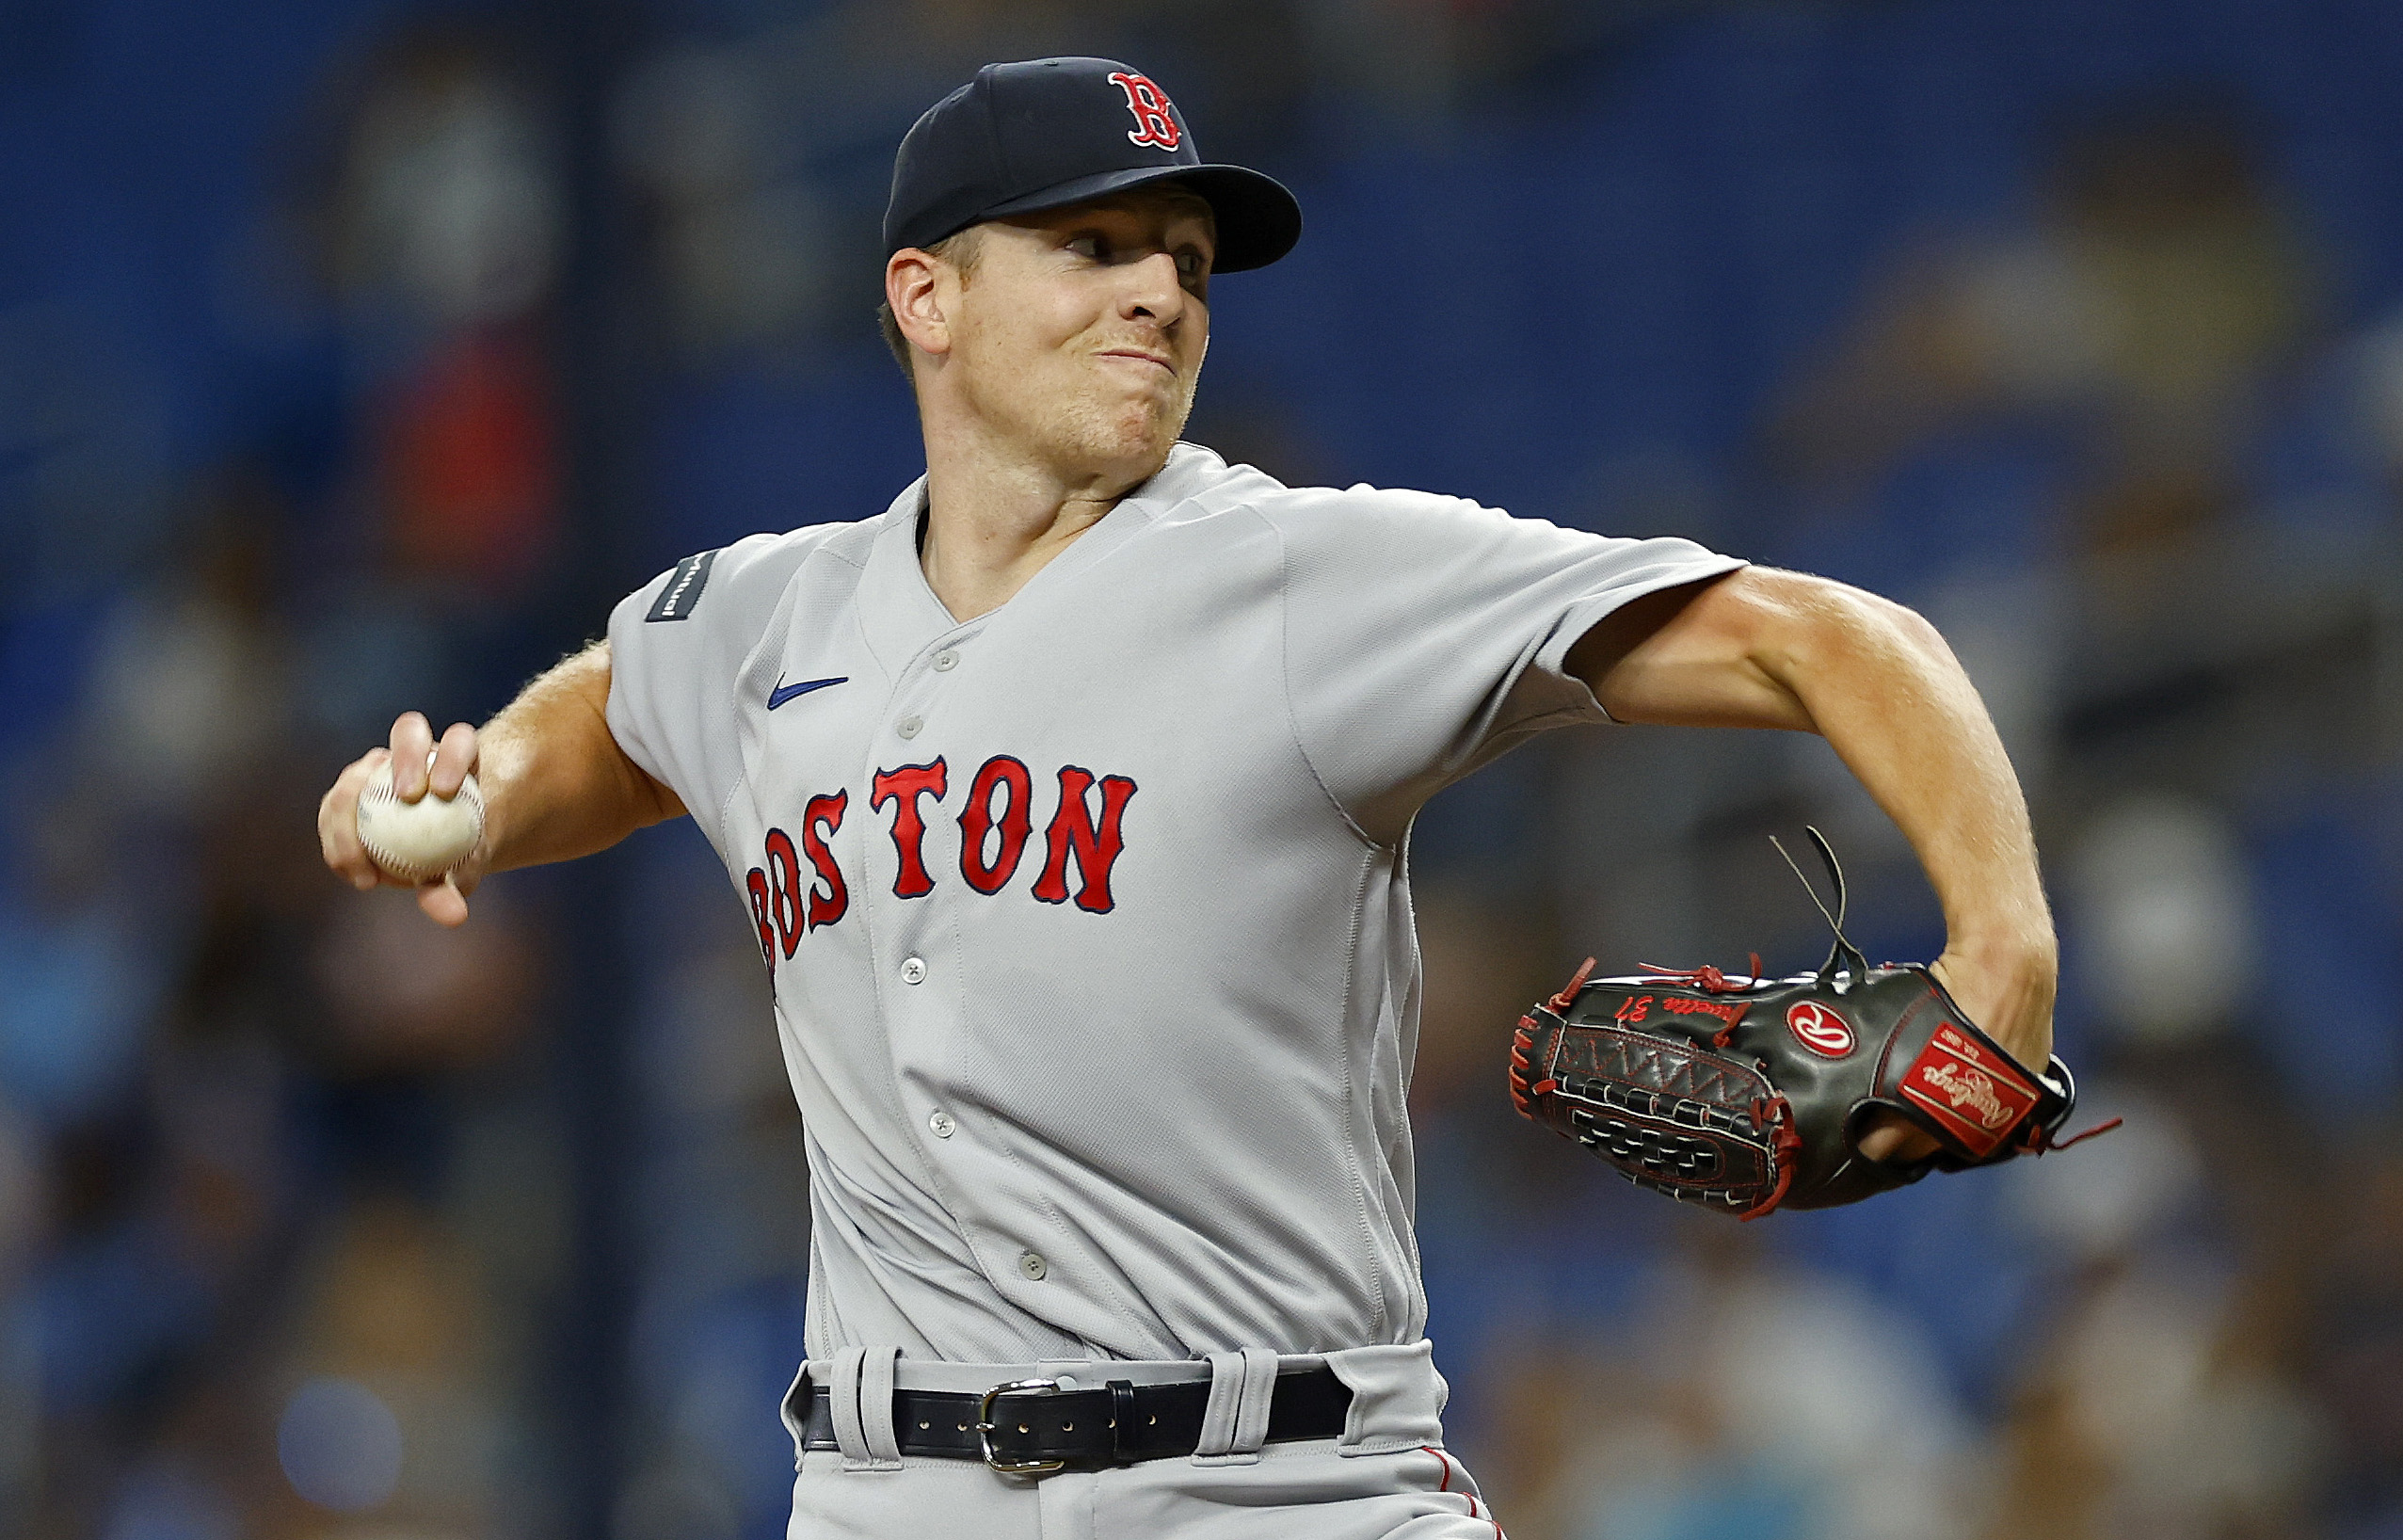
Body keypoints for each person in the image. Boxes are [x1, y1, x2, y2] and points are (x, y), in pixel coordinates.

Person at [318, 56, 2057, 1539]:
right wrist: (477, 798)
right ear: (926, 297)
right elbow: (622, 708)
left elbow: (1825, 640)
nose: (1157, 292)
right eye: (1090, 246)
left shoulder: (1305, 578)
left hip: (1277, 1487)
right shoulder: (767, 614)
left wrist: (2003, 942)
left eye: (1185, 262)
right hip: (882, 1492)